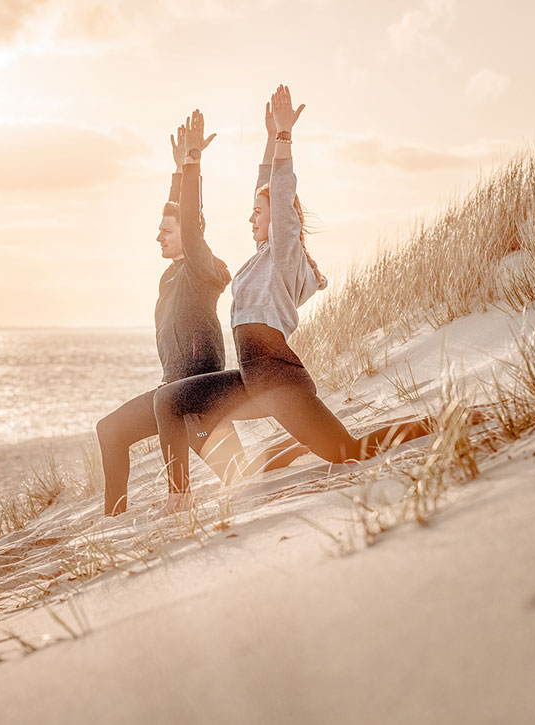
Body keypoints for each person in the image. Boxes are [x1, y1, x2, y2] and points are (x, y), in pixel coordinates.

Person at [151, 86, 436, 516]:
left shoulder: (285, 258)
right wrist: (269, 140)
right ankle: (179, 500)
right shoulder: (262, 259)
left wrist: (284, 138)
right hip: (251, 382)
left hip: (279, 381)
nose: (251, 217)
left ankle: (436, 423)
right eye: (251, 211)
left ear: (281, 223)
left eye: (257, 213)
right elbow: (266, 186)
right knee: (168, 401)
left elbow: (279, 194)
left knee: (347, 452)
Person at [96, 118, 247, 517]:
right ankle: (114, 517)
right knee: (109, 430)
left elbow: (191, 223)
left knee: (244, 476)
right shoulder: (174, 272)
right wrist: (177, 171)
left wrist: (192, 165)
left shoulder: (201, 268)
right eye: (159, 229)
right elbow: (182, 214)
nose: (158, 236)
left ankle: (179, 499)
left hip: (198, 396)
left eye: (166, 230)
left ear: (191, 232)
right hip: (170, 395)